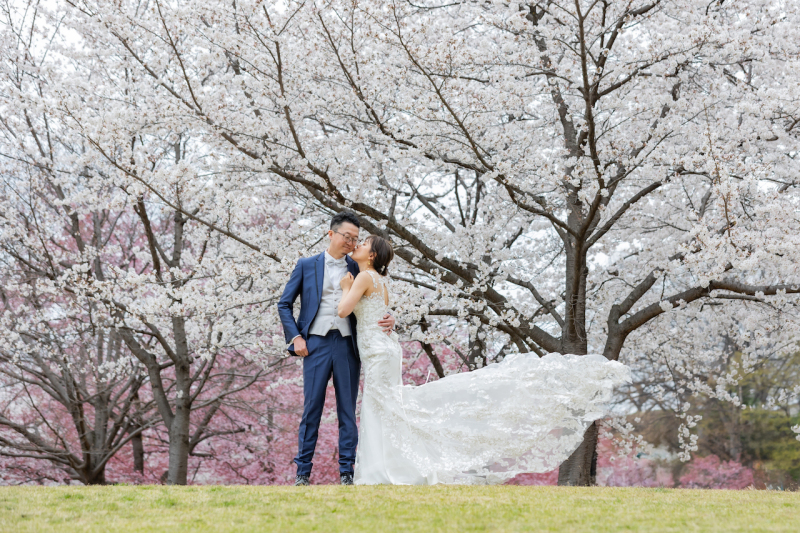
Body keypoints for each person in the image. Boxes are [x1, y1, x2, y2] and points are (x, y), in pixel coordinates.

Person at [337, 235, 631, 485]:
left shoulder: (363, 276)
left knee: (380, 406)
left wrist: (344, 288)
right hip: (386, 348)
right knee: (388, 407)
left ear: (372, 254)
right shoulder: (380, 280)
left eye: (362, 243)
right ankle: (389, 467)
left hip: (377, 350)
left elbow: (343, 310)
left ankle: (379, 470)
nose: (358, 245)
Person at [277, 212, 395, 486]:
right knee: (311, 409)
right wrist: (295, 337)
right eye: (347, 237)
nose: (352, 243)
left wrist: (392, 316)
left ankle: (347, 473)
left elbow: (377, 295)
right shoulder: (306, 265)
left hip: (347, 345)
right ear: (331, 234)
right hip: (315, 344)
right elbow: (284, 304)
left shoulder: (358, 267)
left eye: (356, 239)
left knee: (347, 410)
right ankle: (302, 474)